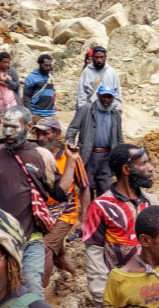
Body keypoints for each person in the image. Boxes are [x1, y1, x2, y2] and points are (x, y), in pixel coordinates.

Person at [0, 107, 67, 299]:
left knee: (32, 290)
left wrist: (73, 161)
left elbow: (59, 193)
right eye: (5, 127)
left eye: (14, 127)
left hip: (30, 239)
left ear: (29, 127)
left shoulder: (43, 156)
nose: (8, 132)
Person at [82, 143, 159, 308]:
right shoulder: (100, 207)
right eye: (144, 163)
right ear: (126, 170)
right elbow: (94, 256)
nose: (150, 168)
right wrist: (103, 301)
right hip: (119, 296)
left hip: (153, 294)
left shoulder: (152, 203)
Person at [33, 117, 87, 287]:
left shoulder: (70, 156)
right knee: (57, 255)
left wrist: (84, 220)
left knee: (46, 249)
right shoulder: (35, 155)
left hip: (66, 211)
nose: (41, 138)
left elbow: (84, 187)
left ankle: (38, 296)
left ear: (57, 134)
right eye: (38, 134)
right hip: (42, 211)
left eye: (45, 134)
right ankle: (75, 278)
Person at [67, 83, 123, 220]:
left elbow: (120, 139)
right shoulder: (86, 109)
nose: (106, 100)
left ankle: (103, 220)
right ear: (98, 95)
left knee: (105, 189)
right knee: (86, 187)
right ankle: (87, 220)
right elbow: (72, 130)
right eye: (104, 96)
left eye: (109, 97)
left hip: (107, 157)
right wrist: (71, 147)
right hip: (88, 155)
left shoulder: (115, 114)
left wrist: (119, 158)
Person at [77, 47, 122, 112]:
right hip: (90, 110)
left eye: (101, 57)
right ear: (93, 57)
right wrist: (82, 109)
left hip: (108, 111)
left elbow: (117, 91)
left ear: (105, 57)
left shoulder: (111, 72)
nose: (99, 60)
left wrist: (118, 107)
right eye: (96, 57)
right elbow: (82, 92)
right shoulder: (86, 71)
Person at [23, 54, 56, 119]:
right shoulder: (31, 77)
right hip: (37, 114)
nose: (48, 68)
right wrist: (30, 114)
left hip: (51, 113)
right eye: (46, 65)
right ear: (40, 64)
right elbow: (26, 97)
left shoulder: (50, 77)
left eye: (50, 66)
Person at [0, 52, 19, 120]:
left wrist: (7, 81)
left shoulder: (12, 72)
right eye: (4, 62)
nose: (6, 64)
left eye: (8, 62)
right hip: (0, 100)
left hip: (12, 100)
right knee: (3, 120)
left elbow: (17, 86)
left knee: (14, 119)